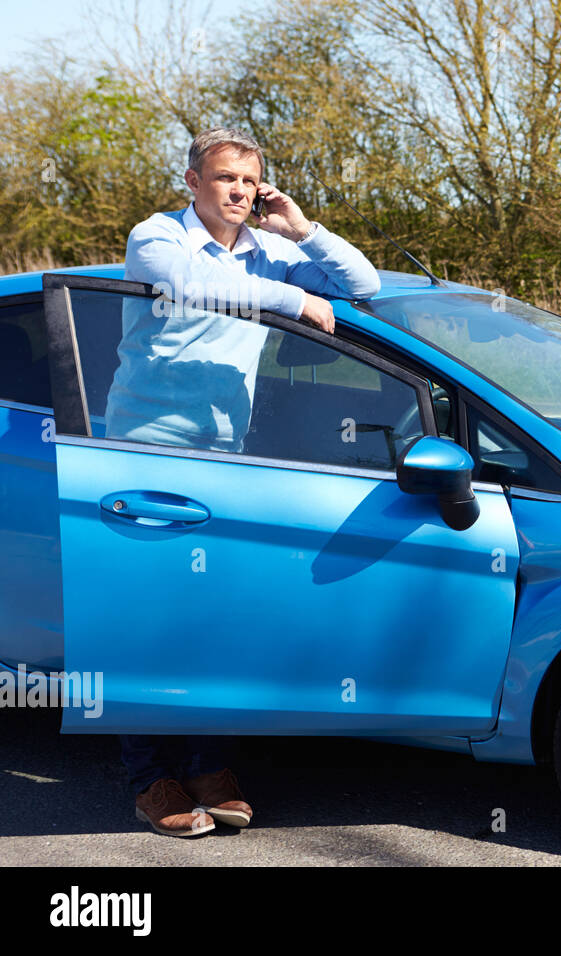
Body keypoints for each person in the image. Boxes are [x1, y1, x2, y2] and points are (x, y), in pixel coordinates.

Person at [118, 127, 380, 837]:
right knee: (151, 623)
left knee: (212, 617)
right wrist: (294, 303)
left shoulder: (269, 250)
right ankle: (150, 776)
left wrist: (304, 228)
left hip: (225, 459)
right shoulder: (158, 238)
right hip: (146, 456)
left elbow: (364, 287)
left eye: (247, 181)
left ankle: (207, 765)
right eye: (224, 178)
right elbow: (197, 288)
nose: (236, 191)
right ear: (192, 181)